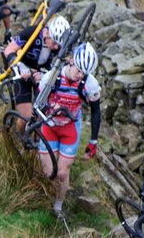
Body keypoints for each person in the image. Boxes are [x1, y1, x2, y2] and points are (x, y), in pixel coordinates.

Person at [38, 43, 101, 219]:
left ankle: (58, 205)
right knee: (48, 172)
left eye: (84, 73)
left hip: (70, 127)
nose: (80, 76)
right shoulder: (52, 76)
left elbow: (96, 111)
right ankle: (44, 193)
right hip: (50, 125)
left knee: (62, 172)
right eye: (79, 70)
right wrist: (52, 106)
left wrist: (93, 141)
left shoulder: (90, 84)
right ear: (71, 60)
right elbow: (38, 103)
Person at [0, 13, 69, 128]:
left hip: (41, 75)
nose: (57, 48)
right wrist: (20, 67)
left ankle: (34, 140)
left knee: (38, 118)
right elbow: (8, 50)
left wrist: (44, 74)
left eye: (59, 44)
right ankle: (19, 139)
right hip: (23, 73)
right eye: (55, 43)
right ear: (47, 32)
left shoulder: (58, 44)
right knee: (25, 119)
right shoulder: (32, 32)